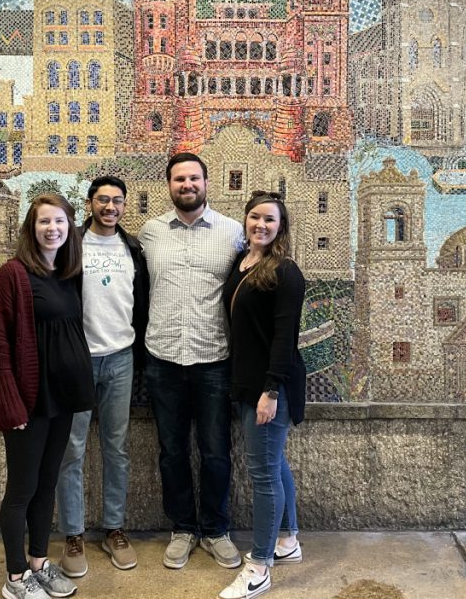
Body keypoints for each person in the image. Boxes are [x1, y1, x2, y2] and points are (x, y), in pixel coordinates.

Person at [0, 194, 94, 599]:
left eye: (60, 222)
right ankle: (15, 579)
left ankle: (38, 563)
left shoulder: (67, 274)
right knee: (22, 490)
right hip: (27, 404)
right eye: (44, 222)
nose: (53, 229)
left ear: (70, 228)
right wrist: (10, 404)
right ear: (31, 229)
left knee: (48, 484)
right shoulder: (11, 276)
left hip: (61, 401)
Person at [138, 152, 245, 570]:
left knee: (216, 451)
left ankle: (216, 529)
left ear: (206, 181)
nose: (188, 185)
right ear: (169, 185)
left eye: (194, 178)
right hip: (163, 358)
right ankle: (183, 528)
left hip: (214, 358)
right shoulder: (150, 233)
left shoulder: (233, 232)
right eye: (180, 179)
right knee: (172, 450)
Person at [56, 176, 149, 577]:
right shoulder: (70, 244)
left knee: (117, 447)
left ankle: (114, 528)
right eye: (103, 200)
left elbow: (139, 302)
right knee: (72, 449)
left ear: (125, 206)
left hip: (121, 358)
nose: (110, 206)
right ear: (90, 203)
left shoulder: (133, 249)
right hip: (79, 360)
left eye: (117, 201)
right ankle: (73, 534)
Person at [218, 191, 307, 599]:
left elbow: (285, 337)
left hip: (270, 386)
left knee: (263, 473)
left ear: (281, 227)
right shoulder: (242, 264)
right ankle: (287, 541)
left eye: (270, 220)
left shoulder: (285, 272)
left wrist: (270, 390)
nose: (261, 225)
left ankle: (259, 566)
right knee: (274, 463)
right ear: (246, 220)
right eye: (255, 217)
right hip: (245, 381)